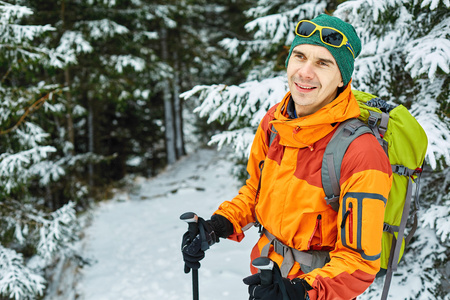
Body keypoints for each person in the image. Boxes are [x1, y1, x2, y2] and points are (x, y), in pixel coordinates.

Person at [181, 14, 392, 300]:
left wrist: (300, 293)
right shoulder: (275, 123)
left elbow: (359, 262)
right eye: (300, 56)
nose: (305, 72)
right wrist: (215, 227)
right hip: (265, 280)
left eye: (323, 62)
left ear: (343, 77)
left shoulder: (361, 152)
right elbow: (256, 194)